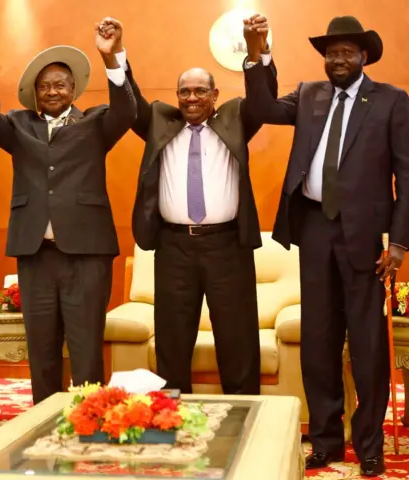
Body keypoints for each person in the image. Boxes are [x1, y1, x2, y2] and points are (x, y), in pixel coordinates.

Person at [243, 14, 409, 477]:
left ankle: (369, 444)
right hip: (315, 229)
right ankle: (325, 441)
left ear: (363, 56)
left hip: (367, 237)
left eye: (347, 52)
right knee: (318, 342)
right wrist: (258, 52)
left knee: (367, 346)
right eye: (331, 52)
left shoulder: (391, 100)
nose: (337, 59)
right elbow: (260, 108)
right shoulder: (307, 95)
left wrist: (399, 241)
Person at [100, 17, 278, 395]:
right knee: (172, 338)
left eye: (200, 91)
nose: (191, 98)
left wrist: (255, 52)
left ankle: (245, 419)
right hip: (173, 247)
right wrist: (114, 55)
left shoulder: (235, 120)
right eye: (184, 91)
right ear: (177, 96)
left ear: (214, 96)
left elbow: (263, 101)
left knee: (237, 337)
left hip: (228, 246)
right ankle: (173, 421)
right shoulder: (160, 122)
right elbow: (129, 98)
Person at [0, 20, 137, 405]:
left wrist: (112, 56)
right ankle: (42, 423)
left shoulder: (95, 123)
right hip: (35, 255)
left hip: (87, 255)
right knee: (40, 349)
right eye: (45, 86)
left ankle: (88, 422)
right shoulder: (18, 125)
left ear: (74, 89)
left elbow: (127, 111)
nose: (53, 91)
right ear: (35, 94)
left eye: (60, 84)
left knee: (86, 347)